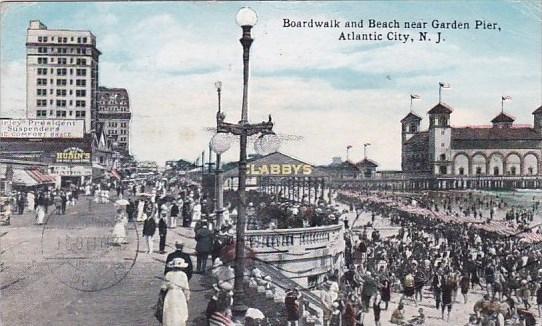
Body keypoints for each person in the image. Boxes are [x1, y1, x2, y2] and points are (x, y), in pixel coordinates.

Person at [161, 258, 190, 326]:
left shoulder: (168, 274)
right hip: (179, 295)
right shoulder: (183, 275)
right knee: (179, 312)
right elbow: (186, 288)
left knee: (170, 312)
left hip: (170, 294)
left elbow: (163, 287)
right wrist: (187, 297)